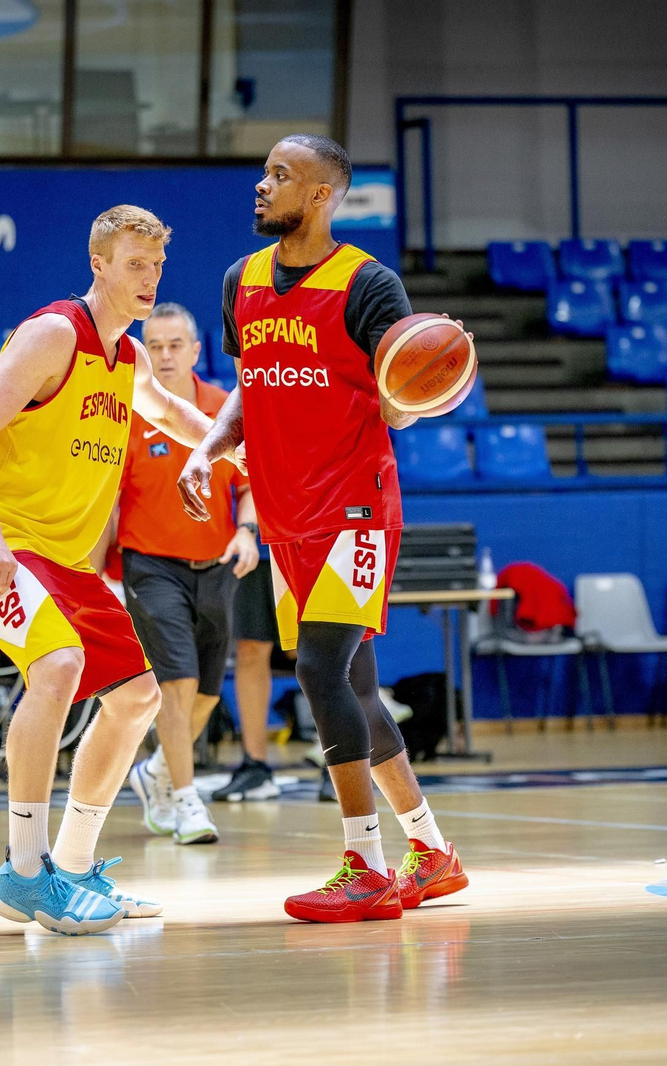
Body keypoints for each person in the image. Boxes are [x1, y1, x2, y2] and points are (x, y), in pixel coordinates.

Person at [180, 135, 469, 923]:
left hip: (354, 509)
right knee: (359, 690)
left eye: (281, 175)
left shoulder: (367, 284)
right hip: (286, 520)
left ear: (321, 196)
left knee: (317, 670)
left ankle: (364, 866)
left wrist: (415, 395)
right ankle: (432, 852)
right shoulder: (242, 281)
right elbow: (250, 388)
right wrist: (210, 447)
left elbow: (398, 391)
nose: (261, 185)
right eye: (264, 171)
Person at [0, 204, 237, 936]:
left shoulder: (128, 358)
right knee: (59, 668)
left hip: (64, 561)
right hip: (4, 545)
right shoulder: (54, 335)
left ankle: (72, 868)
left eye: (158, 267)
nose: (149, 279)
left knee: (138, 695)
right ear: (98, 264)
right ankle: (23, 871)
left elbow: (175, 416)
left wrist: (245, 450)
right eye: (135, 265)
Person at [107, 302, 259, 845]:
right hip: (150, 565)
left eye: (176, 345)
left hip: (216, 564)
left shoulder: (223, 409)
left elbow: (249, 486)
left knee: (209, 694)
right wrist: (92, 569)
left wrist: (247, 531)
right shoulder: (126, 415)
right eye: (157, 346)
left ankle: (157, 773)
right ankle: (188, 800)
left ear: (197, 350)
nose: (166, 356)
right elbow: (107, 504)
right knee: (178, 683)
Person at [209, 561, 283, 802]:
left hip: (312, 538)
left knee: (316, 646)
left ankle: (337, 762)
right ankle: (255, 767)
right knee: (251, 645)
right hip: (257, 547)